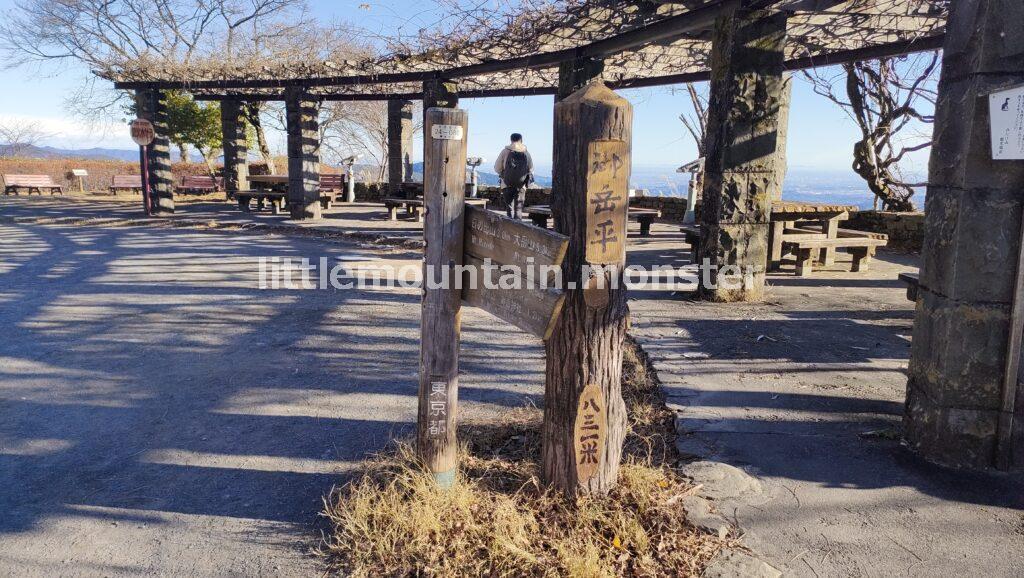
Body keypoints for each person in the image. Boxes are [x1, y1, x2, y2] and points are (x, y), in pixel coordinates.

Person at [494, 133, 533, 219]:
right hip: (521, 185)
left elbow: (497, 168)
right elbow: (531, 168)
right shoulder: (526, 152)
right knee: (518, 210)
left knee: (509, 210)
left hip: (506, 183)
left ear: (511, 140)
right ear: (521, 140)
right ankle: (519, 229)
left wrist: (504, 174)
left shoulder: (505, 151)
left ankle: (509, 229)